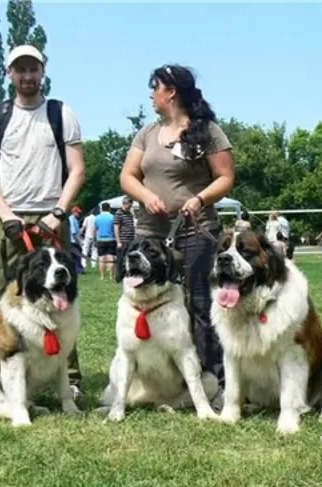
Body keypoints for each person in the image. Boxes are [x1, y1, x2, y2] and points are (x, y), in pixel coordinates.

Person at [0, 44, 86, 398]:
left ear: (43, 72)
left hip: (51, 216)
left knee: (61, 295)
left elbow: (77, 169)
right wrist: (6, 214)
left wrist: (58, 212)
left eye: (33, 69)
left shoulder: (60, 112)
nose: (27, 76)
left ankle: (69, 379)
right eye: (20, 69)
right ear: (10, 73)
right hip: (7, 214)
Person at [120, 64, 235, 386]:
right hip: (150, 233)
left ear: (170, 91)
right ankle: (159, 377)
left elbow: (226, 178)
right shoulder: (147, 134)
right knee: (143, 300)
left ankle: (215, 378)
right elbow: (127, 176)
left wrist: (199, 199)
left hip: (195, 231)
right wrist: (145, 196)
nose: (150, 94)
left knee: (201, 303)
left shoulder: (208, 131)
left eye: (154, 87)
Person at [95, 202, 116, 280]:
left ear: (101, 208)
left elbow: (95, 230)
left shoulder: (97, 217)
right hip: (111, 239)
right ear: (109, 208)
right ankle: (111, 276)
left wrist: (95, 239)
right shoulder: (112, 217)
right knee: (111, 258)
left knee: (101, 259)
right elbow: (115, 228)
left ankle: (102, 276)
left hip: (100, 240)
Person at [69, 206, 84, 274]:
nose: (79, 214)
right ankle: (78, 270)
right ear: (74, 212)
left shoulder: (75, 219)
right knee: (77, 256)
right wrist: (79, 242)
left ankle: (78, 269)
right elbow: (73, 233)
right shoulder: (72, 219)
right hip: (73, 241)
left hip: (75, 241)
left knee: (76, 256)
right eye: (78, 213)